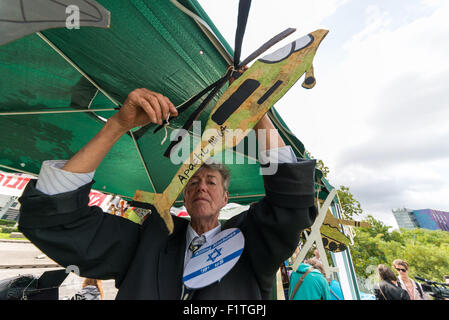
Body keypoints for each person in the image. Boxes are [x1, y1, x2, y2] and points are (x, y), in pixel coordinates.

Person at [18, 88, 318, 299]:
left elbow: (288, 204)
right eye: (192, 182)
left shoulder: (251, 243)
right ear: (183, 198)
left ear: (226, 198)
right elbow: (54, 218)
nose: (201, 186)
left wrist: (257, 112)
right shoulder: (148, 239)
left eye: (211, 182)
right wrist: (117, 125)